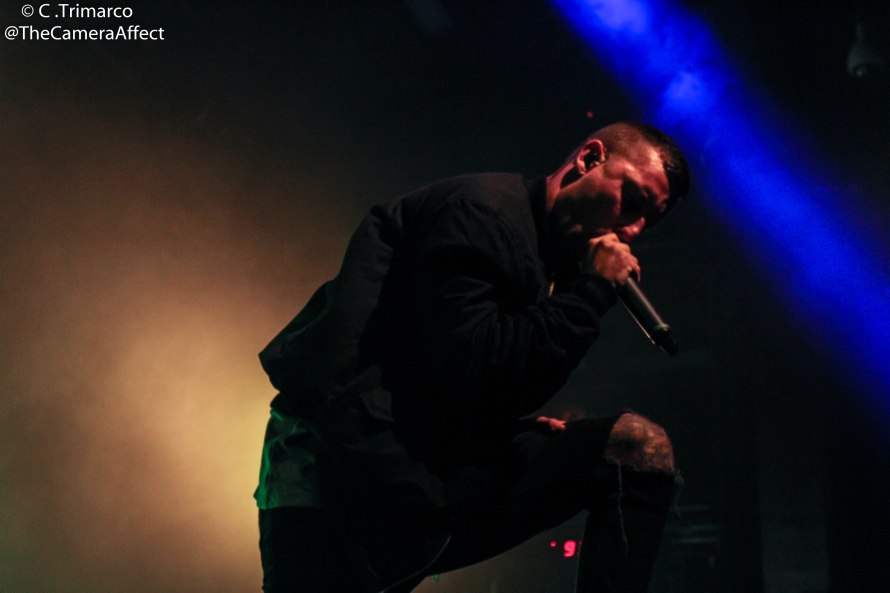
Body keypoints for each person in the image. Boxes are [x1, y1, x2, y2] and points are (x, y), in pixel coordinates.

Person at [255, 121, 690, 593]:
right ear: (589, 159)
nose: (633, 229)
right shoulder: (480, 215)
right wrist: (593, 291)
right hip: (335, 470)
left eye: (649, 222)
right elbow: (475, 369)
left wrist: (500, 430)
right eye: (632, 200)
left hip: (417, 463)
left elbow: (456, 372)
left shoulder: (548, 258)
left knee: (635, 450)